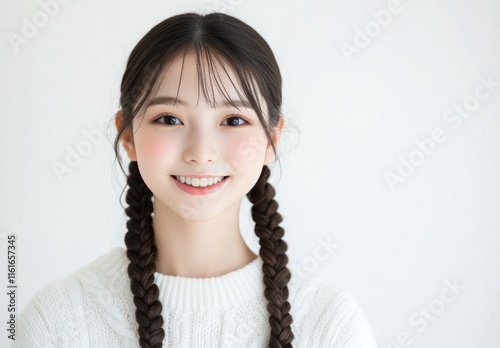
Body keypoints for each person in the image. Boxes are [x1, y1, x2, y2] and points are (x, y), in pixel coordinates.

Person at [15, 12, 378, 348]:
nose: (201, 152)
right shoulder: (58, 322)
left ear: (272, 139)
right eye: (170, 119)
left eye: (233, 120)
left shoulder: (331, 325)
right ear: (127, 134)